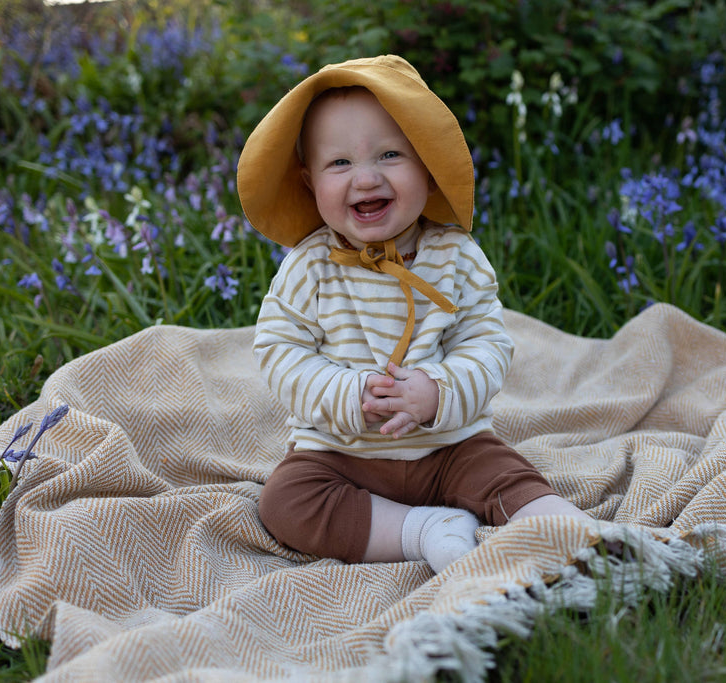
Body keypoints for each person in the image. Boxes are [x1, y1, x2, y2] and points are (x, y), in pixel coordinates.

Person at [237, 55, 586, 573]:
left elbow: (487, 344)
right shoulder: (309, 267)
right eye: (340, 164)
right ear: (310, 184)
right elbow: (279, 350)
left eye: (390, 155)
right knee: (285, 501)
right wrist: (347, 394)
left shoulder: (455, 256)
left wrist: (437, 390)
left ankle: (581, 538)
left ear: (426, 163)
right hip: (342, 453)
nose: (366, 177)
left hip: (448, 446)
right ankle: (422, 529)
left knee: (508, 477)